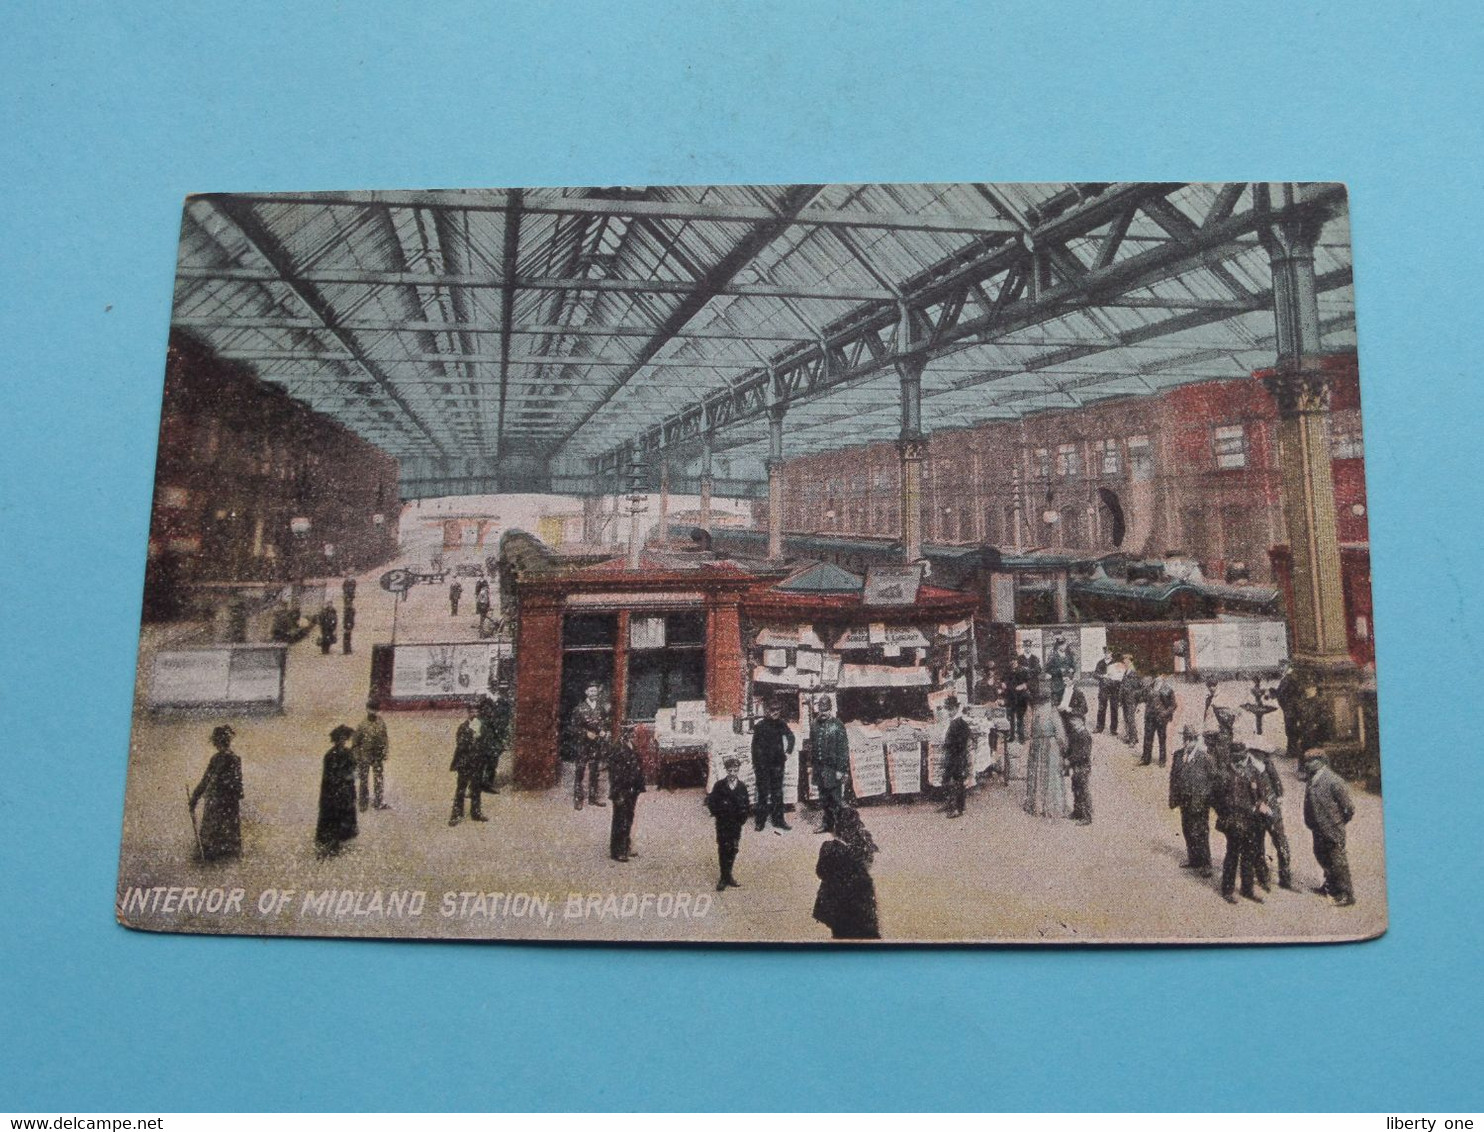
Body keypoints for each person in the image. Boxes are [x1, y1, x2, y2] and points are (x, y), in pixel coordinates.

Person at [1214, 741, 1272, 904]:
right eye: (1237, 758)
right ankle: (1227, 890)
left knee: (1249, 856)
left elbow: (1263, 792)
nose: (1240, 761)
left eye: (1242, 758)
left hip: (1251, 821)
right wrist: (1226, 813)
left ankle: (1247, 890)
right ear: (1231, 757)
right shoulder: (1224, 774)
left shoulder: (1253, 771)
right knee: (1232, 856)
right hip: (1233, 822)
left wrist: (1261, 803)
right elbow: (1215, 798)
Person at [812, 806, 881, 940]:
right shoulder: (863, 845)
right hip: (860, 899)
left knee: (841, 933)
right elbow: (868, 864)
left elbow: (820, 872)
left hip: (835, 901)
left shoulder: (828, 848)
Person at [1301, 749, 1356, 906]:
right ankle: (1330, 887)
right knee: (1321, 855)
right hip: (1317, 827)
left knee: (1338, 861)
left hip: (1332, 828)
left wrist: (1338, 822)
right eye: (1306, 761)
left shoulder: (1333, 780)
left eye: (1310, 761)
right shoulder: (1312, 779)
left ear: (1321, 761)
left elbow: (1348, 808)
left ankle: (1347, 894)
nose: (1307, 764)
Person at [188, 724, 243, 861]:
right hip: (228, 803)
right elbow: (237, 786)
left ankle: (209, 856)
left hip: (217, 801)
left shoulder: (218, 758)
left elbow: (205, 780)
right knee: (228, 835)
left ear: (217, 741)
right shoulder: (235, 758)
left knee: (212, 834)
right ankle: (227, 856)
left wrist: (195, 798)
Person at [1168, 724, 1216, 876]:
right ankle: (1193, 859)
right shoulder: (1178, 755)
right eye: (1185, 739)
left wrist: (1207, 798)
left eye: (1190, 740)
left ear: (1196, 740)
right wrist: (1173, 797)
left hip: (1200, 800)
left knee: (1201, 830)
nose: (1187, 743)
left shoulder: (1205, 758)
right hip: (1184, 799)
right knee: (1187, 828)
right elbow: (1173, 777)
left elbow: (1213, 779)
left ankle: (1206, 863)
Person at [1024, 675, 1071, 818]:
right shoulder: (1052, 711)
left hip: (1037, 745)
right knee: (1052, 776)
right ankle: (1053, 806)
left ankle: (1037, 805)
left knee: (1037, 773)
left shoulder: (1032, 711)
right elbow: (1061, 734)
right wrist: (1065, 749)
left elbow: (1026, 732)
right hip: (1051, 746)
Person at [705, 756, 751, 891]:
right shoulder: (719, 785)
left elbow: (746, 804)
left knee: (733, 849)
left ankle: (729, 874)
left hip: (736, 824)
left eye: (735, 771)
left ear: (738, 771)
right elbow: (711, 802)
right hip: (723, 824)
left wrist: (743, 818)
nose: (732, 773)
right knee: (723, 849)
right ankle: (723, 877)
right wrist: (718, 814)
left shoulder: (742, 786)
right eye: (730, 770)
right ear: (726, 770)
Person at [750, 699, 795, 831]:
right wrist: (756, 765)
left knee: (777, 794)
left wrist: (788, 752)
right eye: (772, 710)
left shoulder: (781, 724)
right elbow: (754, 747)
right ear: (767, 711)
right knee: (763, 794)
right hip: (762, 766)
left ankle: (779, 821)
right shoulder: (759, 726)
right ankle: (760, 822)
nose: (775, 713)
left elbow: (791, 737)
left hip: (777, 765)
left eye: (777, 710)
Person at [315, 725, 358, 856]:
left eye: (344, 739)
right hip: (332, 792)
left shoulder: (348, 753)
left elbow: (354, 768)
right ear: (335, 740)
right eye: (340, 739)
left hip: (345, 791)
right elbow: (329, 776)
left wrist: (350, 776)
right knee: (332, 818)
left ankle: (338, 841)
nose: (342, 741)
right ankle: (331, 844)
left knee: (342, 816)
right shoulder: (329, 755)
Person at [810, 696, 851, 833]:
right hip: (820, 769)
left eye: (826, 710)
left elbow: (843, 749)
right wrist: (813, 766)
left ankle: (840, 826)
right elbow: (813, 746)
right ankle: (827, 824)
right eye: (821, 710)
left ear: (831, 709)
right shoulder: (814, 724)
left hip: (833, 769)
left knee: (836, 799)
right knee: (823, 798)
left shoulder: (838, 725)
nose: (824, 713)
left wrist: (841, 769)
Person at [1257, 746, 1296, 891]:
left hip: (1272, 811)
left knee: (1281, 843)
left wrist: (1275, 803)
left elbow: (1278, 787)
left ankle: (1285, 878)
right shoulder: (1247, 767)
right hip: (1257, 812)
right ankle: (1263, 877)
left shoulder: (1268, 765)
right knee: (1257, 845)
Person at [607, 724, 646, 862]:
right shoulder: (617, 749)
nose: (634, 735)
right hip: (622, 789)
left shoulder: (630, 746)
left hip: (632, 788)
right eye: (632, 733)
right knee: (620, 818)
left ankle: (625, 845)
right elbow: (615, 773)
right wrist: (617, 792)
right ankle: (618, 850)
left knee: (628, 817)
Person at [448, 701, 489, 826]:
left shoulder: (483, 727)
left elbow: (486, 743)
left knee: (476, 788)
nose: (474, 714)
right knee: (461, 789)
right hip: (465, 762)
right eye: (472, 711)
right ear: (468, 713)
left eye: (476, 711)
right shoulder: (463, 727)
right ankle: (456, 813)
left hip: (477, 763)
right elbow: (461, 745)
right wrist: (473, 736)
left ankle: (476, 812)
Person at [569, 683, 609, 810]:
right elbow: (573, 728)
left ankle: (593, 797)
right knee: (580, 771)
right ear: (586, 692)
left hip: (596, 745)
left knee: (594, 771)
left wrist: (604, 731)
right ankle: (578, 798)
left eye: (595, 691)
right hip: (583, 745)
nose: (594, 693)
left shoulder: (601, 708)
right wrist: (586, 733)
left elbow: (604, 722)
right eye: (591, 691)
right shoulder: (579, 709)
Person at [351, 699, 390, 812]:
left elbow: (385, 738)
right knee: (364, 781)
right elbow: (355, 744)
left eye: (375, 710)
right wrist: (358, 758)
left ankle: (378, 801)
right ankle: (363, 803)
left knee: (379, 779)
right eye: (371, 710)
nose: (373, 713)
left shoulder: (381, 722)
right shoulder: (362, 725)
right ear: (367, 710)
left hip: (378, 756)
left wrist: (385, 752)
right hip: (364, 757)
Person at [941, 695, 971, 818]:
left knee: (953, 782)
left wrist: (947, 745)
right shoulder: (958, 722)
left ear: (954, 708)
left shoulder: (957, 723)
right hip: (957, 756)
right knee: (955, 781)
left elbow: (957, 742)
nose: (948, 712)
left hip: (955, 756)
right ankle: (957, 806)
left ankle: (956, 808)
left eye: (949, 709)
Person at [477, 689, 512, 793]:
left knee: (490, 764)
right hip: (487, 743)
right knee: (483, 764)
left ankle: (486, 784)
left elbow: (501, 727)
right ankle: (480, 785)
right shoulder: (489, 710)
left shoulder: (500, 706)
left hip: (492, 743)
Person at [1141, 675, 1177, 767]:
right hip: (1150, 717)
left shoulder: (1167, 688)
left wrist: (1164, 713)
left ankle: (1162, 760)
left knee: (1161, 740)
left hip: (1161, 719)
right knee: (1147, 738)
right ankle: (1146, 759)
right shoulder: (1150, 686)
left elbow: (1173, 705)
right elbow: (1144, 698)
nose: (1157, 676)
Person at [1064, 713, 1093, 824]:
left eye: (1075, 720)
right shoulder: (1075, 734)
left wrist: (1070, 759)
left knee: (1083, 790)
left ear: (1081, 721)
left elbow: (1083, 754)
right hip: (1076, 765)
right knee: (1075, 788)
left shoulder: (1085, 735)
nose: (1072, 722)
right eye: (1072, 720)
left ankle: (1086, 816)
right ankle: (1077, 812)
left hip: (1082, 766)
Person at [1008, 645, 1037, 743]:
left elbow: (1031, 682)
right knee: (1011, 717)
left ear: (1017, 660)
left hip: (1021, 697)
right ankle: (1012, 736)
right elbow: (1004, 680)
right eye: (1010, 661)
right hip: (1011, 696)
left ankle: (1021, 737)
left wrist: (1024, 685)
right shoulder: (1008, 671)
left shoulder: (1023, 670)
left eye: (1013, 660)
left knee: (1020, 717)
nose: (1012, 662)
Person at [1274, 659, 1300, 758]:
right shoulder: (1287, 677)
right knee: (1290, 730)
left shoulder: (1290, 678)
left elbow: (1285, 693)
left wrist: (1276, 694)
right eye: (1280, 667)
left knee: (1291, 730)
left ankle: (1292, 752)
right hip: (1289, 708)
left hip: (1291, 709)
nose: (1280, 669)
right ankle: (1291, 751)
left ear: (1287, 666)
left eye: (1282, 666)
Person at [1094, 646, 1121, 734]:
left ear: (1111, 653)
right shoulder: (1100, 663)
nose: (1107, 654)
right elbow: (1095, 674)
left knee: (1114, 709)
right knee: (1101, 708)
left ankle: (1113, 729)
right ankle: (1099, 727)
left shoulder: (1116, 663)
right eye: (1105, 653)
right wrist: (1102, 676)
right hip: (1103, 688)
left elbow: (1120, 675)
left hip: (1114, 689)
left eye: (1108, 653)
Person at [1118, 657, 1142, 745]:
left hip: (1131, 700)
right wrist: (1120, 699)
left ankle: (1132, 739)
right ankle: (1133, 737)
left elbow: (1139, 688)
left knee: (1130, 719)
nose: (1125, 663)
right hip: (1125, 699)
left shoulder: (1134, 673)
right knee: (1126, 719)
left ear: (1131, 662)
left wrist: (1137, 701)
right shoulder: (1126, 672)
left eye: (1126, 661)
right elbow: (1122, 686)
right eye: (1124, 662)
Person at [1045, 636, 1076, 704]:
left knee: (1068, 705)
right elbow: (1048, 669)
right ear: (1058, 645)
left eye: (1064, 644)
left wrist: (1072, 669)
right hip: (1057, 685)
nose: (1062, 646)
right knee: (1056, 706)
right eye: (1060, 645)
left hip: (1068, 684)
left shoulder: (1069, 655)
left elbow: (1074, 667)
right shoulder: (1052, 656)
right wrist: (1059, 670)